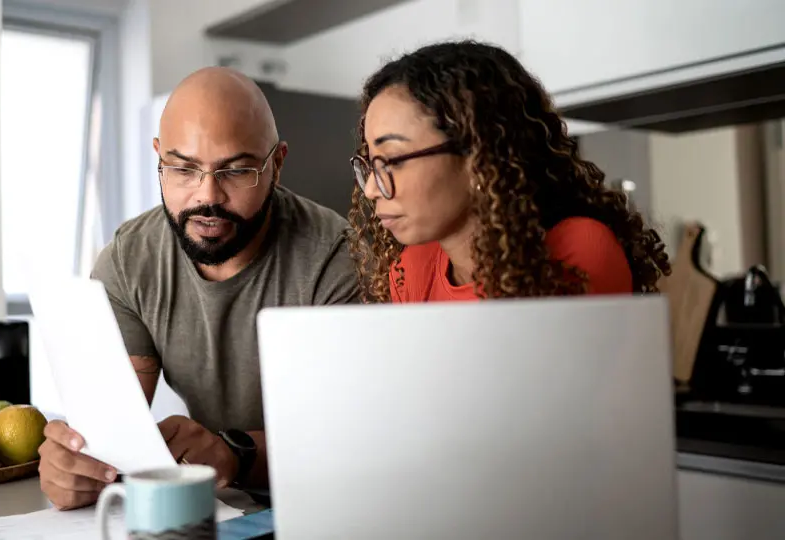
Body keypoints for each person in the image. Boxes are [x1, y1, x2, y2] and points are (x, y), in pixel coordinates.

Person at [38, 67, 360, 510]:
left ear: (277, 164)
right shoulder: (129, 261)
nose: (207, 196)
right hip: (222, 507)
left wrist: (233, 452)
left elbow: (349, 437)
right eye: (183, 169)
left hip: (334, 502)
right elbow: (110, 434)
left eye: (236, 170)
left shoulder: (336, 259)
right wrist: (76, 466)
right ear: (158, 158)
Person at [347, 40, 671, 303]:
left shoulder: (576, 249)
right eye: (370, 164)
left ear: (477, 156)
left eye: (393, 159)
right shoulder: (412, 268)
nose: (373, 189)